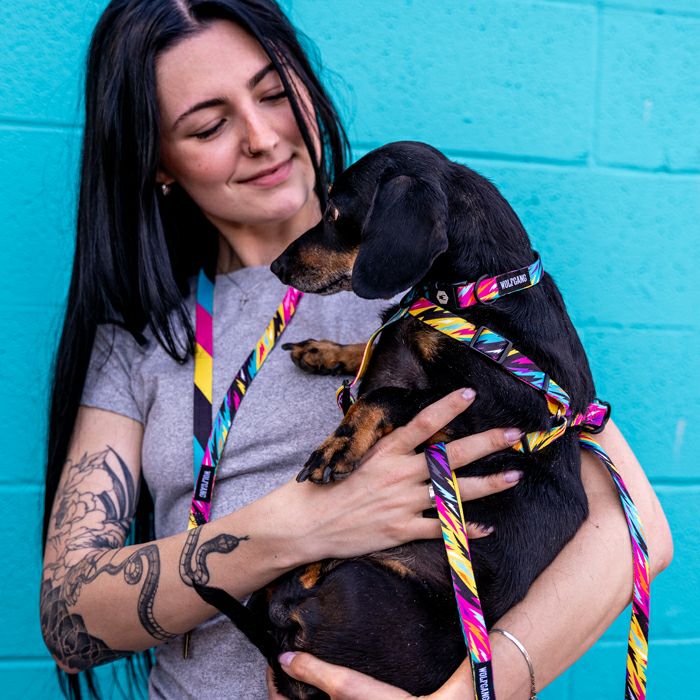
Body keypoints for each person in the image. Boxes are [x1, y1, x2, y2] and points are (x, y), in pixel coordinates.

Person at [40, 1, 672, 699]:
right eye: (209, 126)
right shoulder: (142, 341)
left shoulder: (440, 280)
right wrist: (298, 527)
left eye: (274, 94)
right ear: (156, 159)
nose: (262, 138)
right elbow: (68, 618)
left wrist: (471, 694)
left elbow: (636, 525)